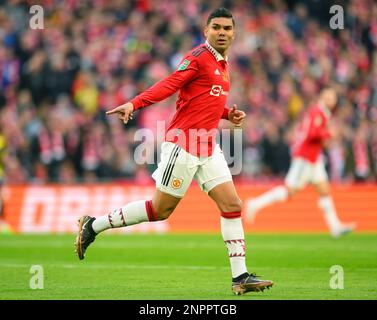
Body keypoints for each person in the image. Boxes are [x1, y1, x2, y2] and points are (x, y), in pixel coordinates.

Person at [75, 7, 273, 295]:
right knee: (159, 210)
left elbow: (201, 101)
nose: (222, 32)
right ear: (206, 31)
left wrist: (227, 115)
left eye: (227, 29)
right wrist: (135, 103)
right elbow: (170, 84)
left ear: (233, 33)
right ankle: (93, 225)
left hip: (207, 145)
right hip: (183, 144)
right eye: (216, 27)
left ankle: (240, 277)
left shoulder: (223, 63)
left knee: (232, 205)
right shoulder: (198, 58)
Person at [245, 87, 356, 238]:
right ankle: (254, 204)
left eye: (333, 97)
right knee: (289, 191)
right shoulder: (318, 112)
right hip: (305, 157)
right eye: (328, 97)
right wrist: (329, 133)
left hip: (314, 158)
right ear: (322, 97)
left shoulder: (322, 112)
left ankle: (335, 226)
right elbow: (312, 134)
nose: (331, 100)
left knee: (324, 189)